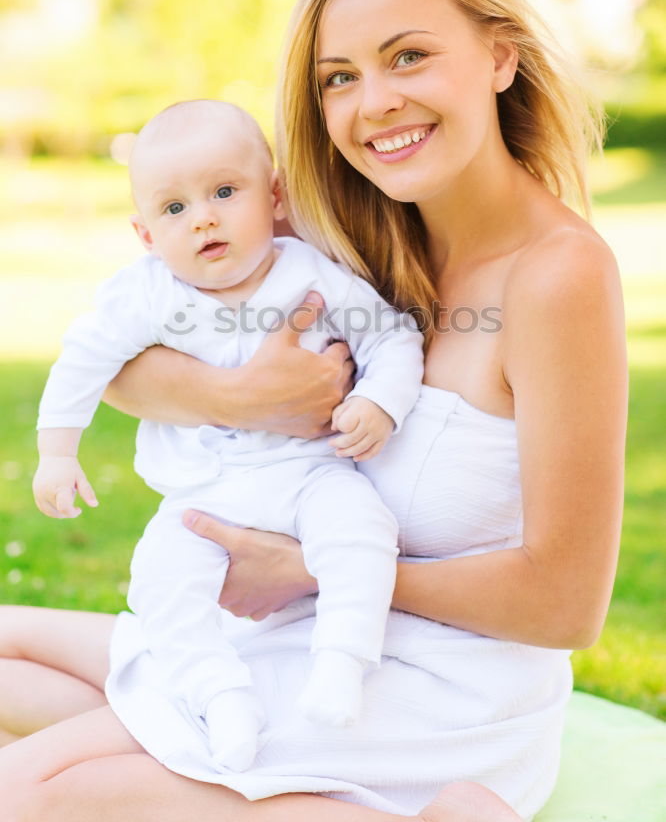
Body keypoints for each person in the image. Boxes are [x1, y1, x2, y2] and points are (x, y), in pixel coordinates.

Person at [0, 0, 627, 822]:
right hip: (298, 635)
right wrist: (236, 395)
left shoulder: (557, 276)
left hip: (440, 688)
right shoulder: (345, 235)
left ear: (500, 56)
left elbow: (567, 606)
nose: (374, 104)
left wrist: (312, 570)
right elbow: (122, 360)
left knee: (30, 791)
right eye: (341, 78)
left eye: (408, 57)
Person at [32, 98, 422, 771]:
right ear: (147, 234)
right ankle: (220, 694)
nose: (203, 216)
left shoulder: (310, 274)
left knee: (360, 530)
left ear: (272, 197)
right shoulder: (147, 294)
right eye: (174, 208)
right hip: (201, 497)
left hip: (310, 473)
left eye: (223, 192)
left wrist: (380, 402)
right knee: (160, 586)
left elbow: (393, 336)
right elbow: (84, 360)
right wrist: (56, 452)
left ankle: (342, 658)